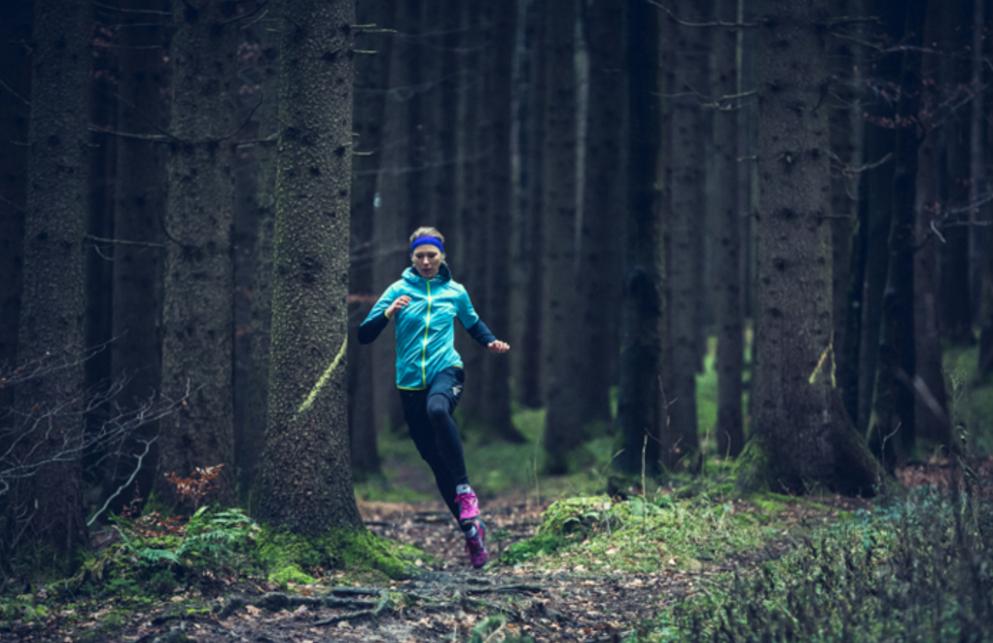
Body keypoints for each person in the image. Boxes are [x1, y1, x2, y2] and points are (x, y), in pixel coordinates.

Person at [358, 227, 509, 569]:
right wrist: (387, 312)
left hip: (446, 371)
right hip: (409, 384)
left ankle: (467, 490)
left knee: (439, 410)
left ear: (442, 257)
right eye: (420, 256)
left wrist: (490, 342)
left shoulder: (455, 292)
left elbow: (473, 323)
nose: (426, 262)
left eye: (432, 255)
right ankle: (471, 531)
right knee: (435, 462)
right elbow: (364, 335)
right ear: (411, 259)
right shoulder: (397, 290)